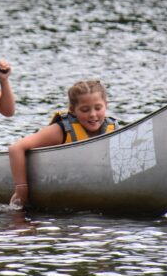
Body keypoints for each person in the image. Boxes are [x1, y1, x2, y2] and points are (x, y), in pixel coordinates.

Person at [8, 80, 117, 209]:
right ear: (73, 110)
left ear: (106, 105)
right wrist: (21, 189)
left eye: (98, 108)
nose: (93, 114)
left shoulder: (114, 129)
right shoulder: (61, 130)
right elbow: (16, 148)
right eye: (85, 110)